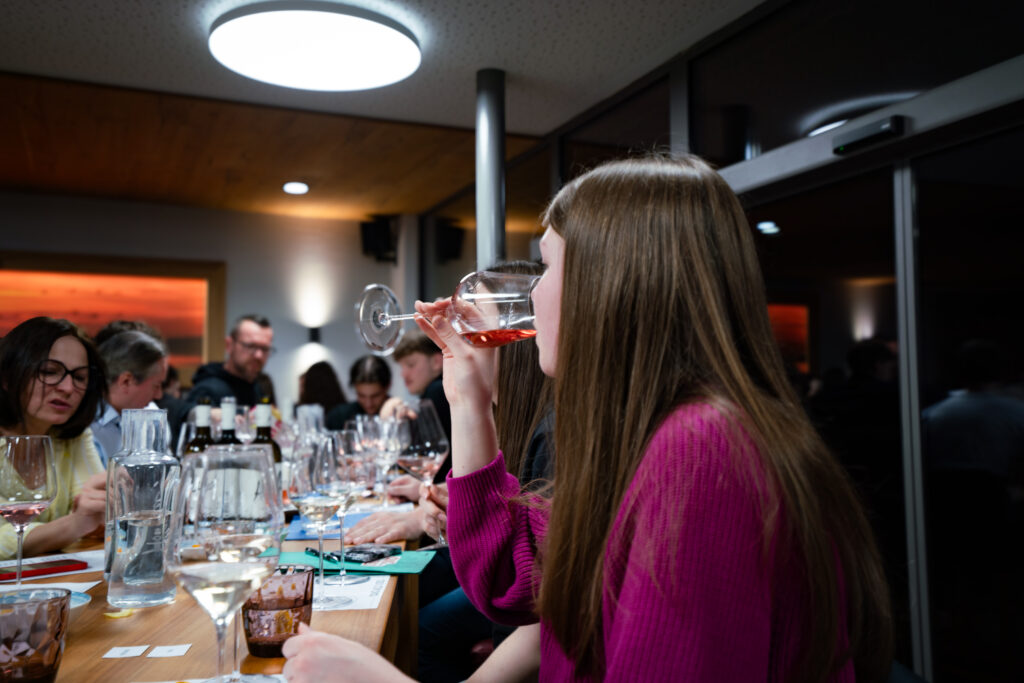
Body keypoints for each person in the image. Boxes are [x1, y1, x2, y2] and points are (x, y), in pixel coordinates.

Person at [282, 156, 893, 683]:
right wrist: (468, 399)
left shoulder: (702, 452)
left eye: (547, 267)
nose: (532, 294)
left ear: (613, 284)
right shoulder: (643, 438)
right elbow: (507, 579)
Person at [0, 317, 107, 560]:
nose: (67, 388)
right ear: (7, 377)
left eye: (79, 377)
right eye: (49, 372)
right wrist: (75, 524)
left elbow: (94, 517)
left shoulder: (73, 436)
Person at [90, 330, 169, 465]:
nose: (159, 395)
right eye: (156, 386)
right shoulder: (84, 425)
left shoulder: (146, 420)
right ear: (126, 381)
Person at [187, 314, 275, 406]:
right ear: (229, 345)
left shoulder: (257, 388)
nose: (259, 355)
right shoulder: (207, 390)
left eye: (265, 348)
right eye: (251, 346)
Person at [325, 355, 392, 430]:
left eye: (375, 396)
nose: (369, 404)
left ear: (388, 386)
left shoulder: (398, 416)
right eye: (361, 395)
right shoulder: (338, 417)